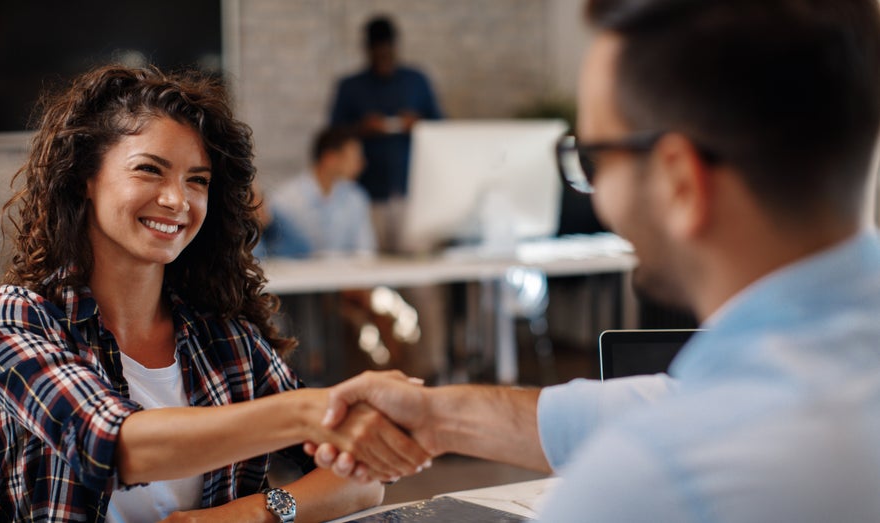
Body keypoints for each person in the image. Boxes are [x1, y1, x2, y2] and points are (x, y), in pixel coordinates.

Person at [310, 0, 880, 520]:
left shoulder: (652, 481)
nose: (596, 193)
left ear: (680, 182)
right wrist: (435, 416)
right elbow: (659, 401)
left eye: (594, 157)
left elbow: (669, 429)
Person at [0, 65, 429, 523]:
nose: (178, 200)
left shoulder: (225, 338)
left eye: (197, 180)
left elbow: (363, 479)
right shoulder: (14, 319)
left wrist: (251, 513)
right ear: (85, 178)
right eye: (150, 170)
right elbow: (112, 445)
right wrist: (309, 412)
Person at [328, 15, 443, 252]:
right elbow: (332, 135)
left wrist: (418, 123)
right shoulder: (350, 87)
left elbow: (442, 127)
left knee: (418, 273)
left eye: (387, 52)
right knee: (371, 265)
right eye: (377, 52)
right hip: (367, 194)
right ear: (367, 50)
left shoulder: (416, 80)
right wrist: (362, 128)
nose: (383, 57)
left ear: (395, 48)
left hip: (411, 191)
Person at [266, 126, 376, 258]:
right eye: (354, 157)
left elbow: (365, 252)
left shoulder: (356, 197)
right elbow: (277, 253)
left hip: (346, 276)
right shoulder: (285, 200)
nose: (361, 164)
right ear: (330, 158)